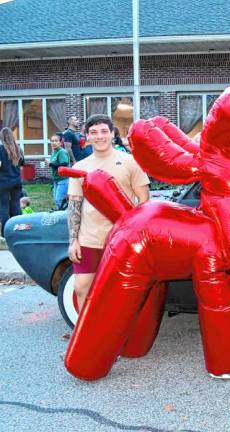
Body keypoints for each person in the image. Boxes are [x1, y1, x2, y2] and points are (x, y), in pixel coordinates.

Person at [67, 114, 150, 312]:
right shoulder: (80, 167)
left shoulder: (130, 162)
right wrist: (73, 240)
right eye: (93, 132)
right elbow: (74, 206)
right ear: (86, 136)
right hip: (89, 238)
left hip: (121, 240)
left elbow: (145, 201)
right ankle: (86, 332)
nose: (99, 136)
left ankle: (119, 335)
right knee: (81, 287)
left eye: (104, 131)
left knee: (121, 291)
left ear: (112, 134)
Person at [0, 127, 24, 235]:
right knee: (15, 206)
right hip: (16, 181)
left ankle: (5, 232)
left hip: (3, 182)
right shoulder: (18, 149)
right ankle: (17, 230)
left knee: (4, 206)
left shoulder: (1, 149)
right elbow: (22, 165)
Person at [47, 134, 71, 210]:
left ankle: (65, 216)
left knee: (59, 200)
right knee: (57, 200)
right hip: (56, 180)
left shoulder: (62, 152)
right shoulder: (54, 152)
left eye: (56, 141)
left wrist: (50, 164)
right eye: (52, 141)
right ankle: (62, 214)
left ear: (61, 143)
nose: (54, 143)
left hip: (63, 179)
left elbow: (63, 165)